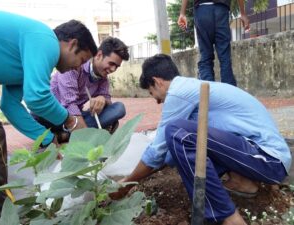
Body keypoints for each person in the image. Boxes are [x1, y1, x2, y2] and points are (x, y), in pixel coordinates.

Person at [110, 54, 291, 224]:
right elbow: (167, 155)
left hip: (268, 159)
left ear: (157, 82)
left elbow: (157, 149)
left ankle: (228, 217)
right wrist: (141, 175)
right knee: (178, 142)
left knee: (175, 130)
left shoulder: (179, 92)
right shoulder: (193, 88)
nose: (157, 102)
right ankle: (243, 182)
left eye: (151, 93)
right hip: (258, 157)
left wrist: (127, 183)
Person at [0, 10, 97, 224]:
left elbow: (10, 106)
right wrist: (71, 121)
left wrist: (49, 140)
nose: (78, 67)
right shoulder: (46, 40)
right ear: (71, 43)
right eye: (81, 59)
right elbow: (37, 97)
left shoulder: (27, 56)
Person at [32, 37, 129, 140]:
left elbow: (107, 99)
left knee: (118, 108)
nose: (113, 69)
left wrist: (103, 99)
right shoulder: (73, 65)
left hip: (75, 116)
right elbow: (69, 104)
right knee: (40, 119)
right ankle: (68, 134)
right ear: (99, 55)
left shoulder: (103, 77)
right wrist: (84, 137)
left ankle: (64, 135)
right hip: (51, 115)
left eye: (117, 66)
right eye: (111, 64)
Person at [177, 0, 250, 86]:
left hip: (202, 9)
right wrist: (242, 13)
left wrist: (182, 13)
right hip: (221, 9)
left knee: (206, 58)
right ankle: (229, 95)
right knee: (225, 58)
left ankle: (208, 96)